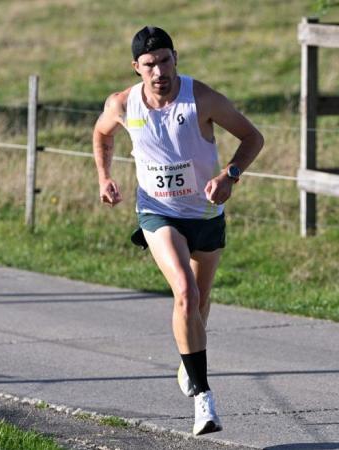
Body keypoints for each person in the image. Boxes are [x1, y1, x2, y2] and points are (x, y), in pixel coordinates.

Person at [92, 25, 264, 436]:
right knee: (185, 292)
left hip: (205, 214)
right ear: (136, 67)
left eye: (165, 60)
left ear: (176, 59)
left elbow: (252, 137)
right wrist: (104, 177)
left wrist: (230, 175)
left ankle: (188, 363)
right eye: (149, 64)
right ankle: (204, 400)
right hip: (157, 212)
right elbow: (101, 134)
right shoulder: (122, 104)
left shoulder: (200, 96)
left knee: (200, 303)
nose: (158, 71)